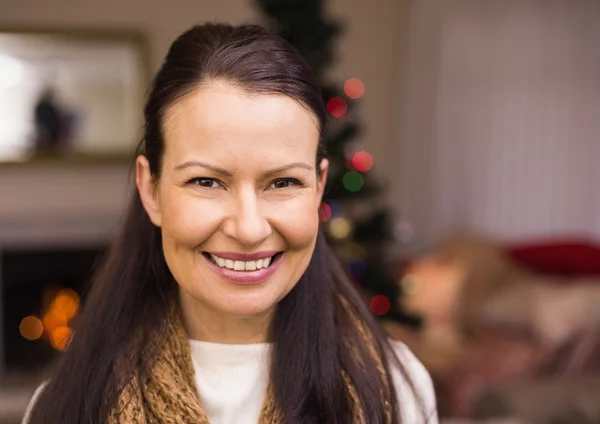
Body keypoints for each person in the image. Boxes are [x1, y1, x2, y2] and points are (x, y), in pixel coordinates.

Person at [24, 23, 437, 424]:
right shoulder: (65, 405)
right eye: (206, 181)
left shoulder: (396, 387)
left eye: (283, 182)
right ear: (151, 191)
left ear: (318, 189)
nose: (249, 228)